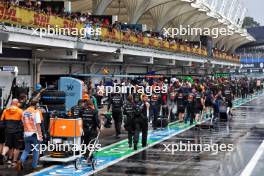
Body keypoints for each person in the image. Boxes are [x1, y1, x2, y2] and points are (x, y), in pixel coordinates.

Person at [17, 100, 43, 171]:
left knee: (26, 149)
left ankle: (21, 160)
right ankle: (34, 166)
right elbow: (38, 124)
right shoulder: (36, 112)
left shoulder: (24, 112)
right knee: (36, 150)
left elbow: (23, 123)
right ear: (36, 105)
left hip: (26, 133)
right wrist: (40, 135)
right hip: (34, 134)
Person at [0, 99, 23, 167]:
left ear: (11, 103)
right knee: (17, 147)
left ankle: (3, 155)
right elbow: (23, 122)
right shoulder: (20, 111)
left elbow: (1, 121)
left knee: (7, 145)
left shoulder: (6, 110)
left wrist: (6, 127)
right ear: (17, 103)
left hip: (8, 130)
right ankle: (14, 161)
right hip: (17, 131)